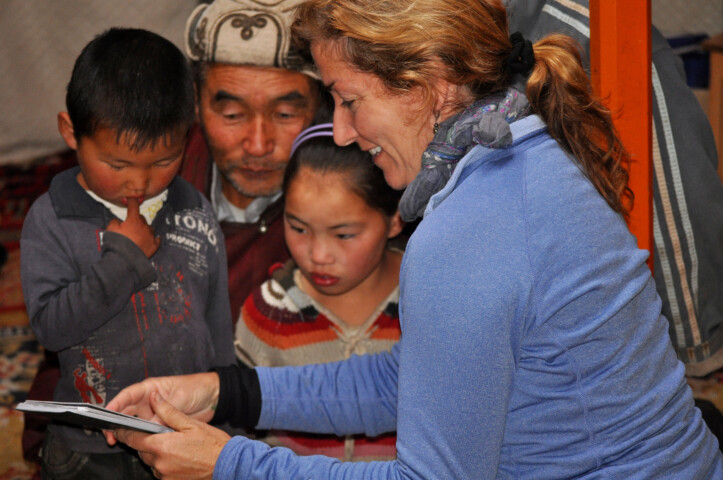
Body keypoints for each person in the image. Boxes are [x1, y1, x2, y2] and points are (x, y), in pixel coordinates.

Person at [105, 0, 723, 478]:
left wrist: (228, 464)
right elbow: (417, 380)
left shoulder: (466, 231)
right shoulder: (524, 152)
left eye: (348, 100)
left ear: (428, 81)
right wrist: (223, 389)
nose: (341, 132)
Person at [20, 28, 235, 479]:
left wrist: (224, 404)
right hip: (89, 447)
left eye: (162, 162)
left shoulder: (194, 209)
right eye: (116, 165)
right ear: (70, 133)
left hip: (179, 433)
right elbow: (52, 328)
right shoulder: (53, 218)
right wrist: (121, 262)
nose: (138, 183)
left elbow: (216, 321)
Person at [503, 0, 723, 380]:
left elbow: (668, 195)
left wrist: (696, 341)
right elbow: (672, 202)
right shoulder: (596, 32)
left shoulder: (598, 33)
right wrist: (697, 343)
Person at [235, 123, 404, 460]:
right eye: (299, 228)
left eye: (343, 235)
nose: (318, 256)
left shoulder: (429, 304)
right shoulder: (268, 313)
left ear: (394, 221)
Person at [180, 0, 330, 317]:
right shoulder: (151, 180)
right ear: (195, 102)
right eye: (233, 115)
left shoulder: (354, 190)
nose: (259, 145)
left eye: (286, 114)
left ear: (320, 102)